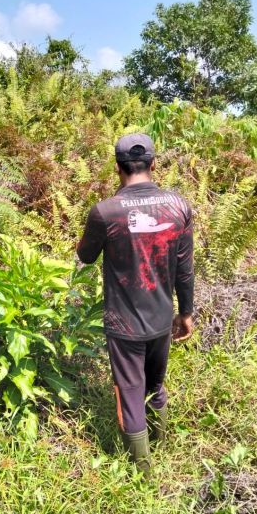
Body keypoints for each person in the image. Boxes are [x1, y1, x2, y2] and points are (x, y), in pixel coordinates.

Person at [76, 133, 194, 477]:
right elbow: (185, 269)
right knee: (155, 385)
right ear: (154, 164)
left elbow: (85, 256)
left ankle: (142, 474)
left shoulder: (105, 211)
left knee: (129, 393)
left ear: (118, 168)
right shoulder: (179, 206)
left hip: (124, 322)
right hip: (161, 320)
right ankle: (161, 444)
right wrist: (185, 313)